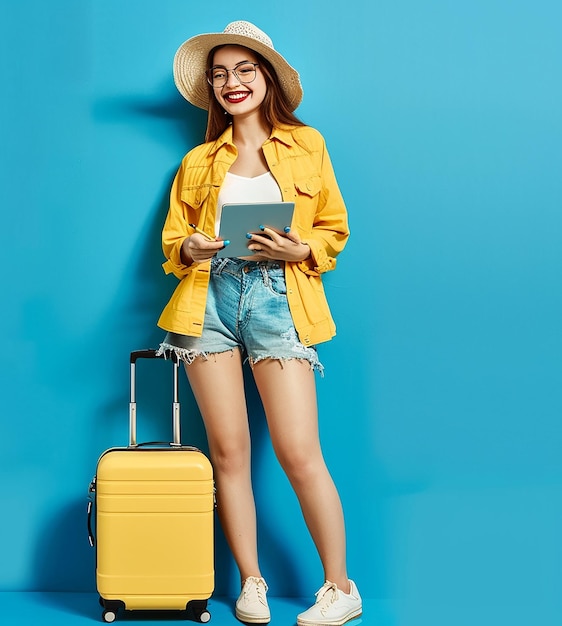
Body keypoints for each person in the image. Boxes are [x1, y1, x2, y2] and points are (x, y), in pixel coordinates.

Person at [156, 20, 362, 626]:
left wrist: (301, 251)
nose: (231, 82)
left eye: (244, 69)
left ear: (267, 76)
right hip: (208, 300)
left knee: (299, 451)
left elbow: (333, 228)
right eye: (219, 74)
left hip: (279, 298)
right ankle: (251, 583)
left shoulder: (308, 145)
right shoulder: (198, 159)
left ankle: (340, 588)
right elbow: (173, 243)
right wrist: (191, 248)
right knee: (228, 451)